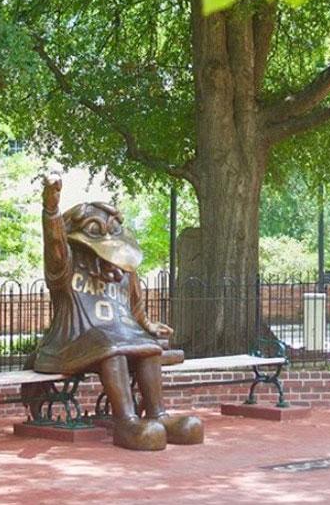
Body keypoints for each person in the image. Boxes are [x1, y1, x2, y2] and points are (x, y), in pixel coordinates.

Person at [34, 174, 203, 450]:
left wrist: (147, 325)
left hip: (117, 339)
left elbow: (135, 307)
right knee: (110, 344)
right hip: (70, 345)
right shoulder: (66, 266)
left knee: (146, 346)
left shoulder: (125, 271)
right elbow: (54, 245)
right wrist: (51, 210)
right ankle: (126, 421)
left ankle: (158, 414)